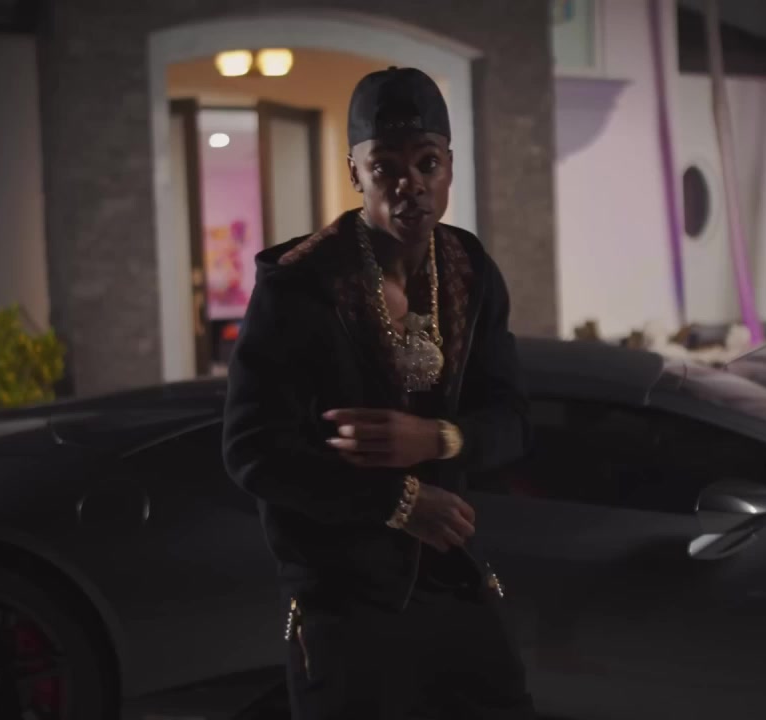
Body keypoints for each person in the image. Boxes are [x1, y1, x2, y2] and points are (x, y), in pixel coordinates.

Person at [222, 67, 534, 719]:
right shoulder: (301, 286)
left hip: (452, 575)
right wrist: (397, 502)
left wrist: (440, 439)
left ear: (449, 167)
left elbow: (511, 418)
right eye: (385, 165)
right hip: (340, 597)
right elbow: (252, 449)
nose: (408, 183)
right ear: (355, 173)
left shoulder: (470, 269)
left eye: (427, 163)